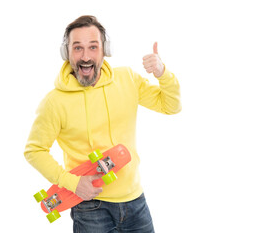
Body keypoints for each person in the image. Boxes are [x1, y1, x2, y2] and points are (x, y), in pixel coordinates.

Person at [24, 15, 181, 232]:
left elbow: (170, 106)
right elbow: (34, 150)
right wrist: (72, 183)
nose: (86, 56)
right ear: (66, 52)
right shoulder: (54, 102)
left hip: (135, 201)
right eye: (77, 48)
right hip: (89, 207)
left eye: (93, 47)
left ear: (105, 50)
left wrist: (163, 74)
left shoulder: (127, 79)